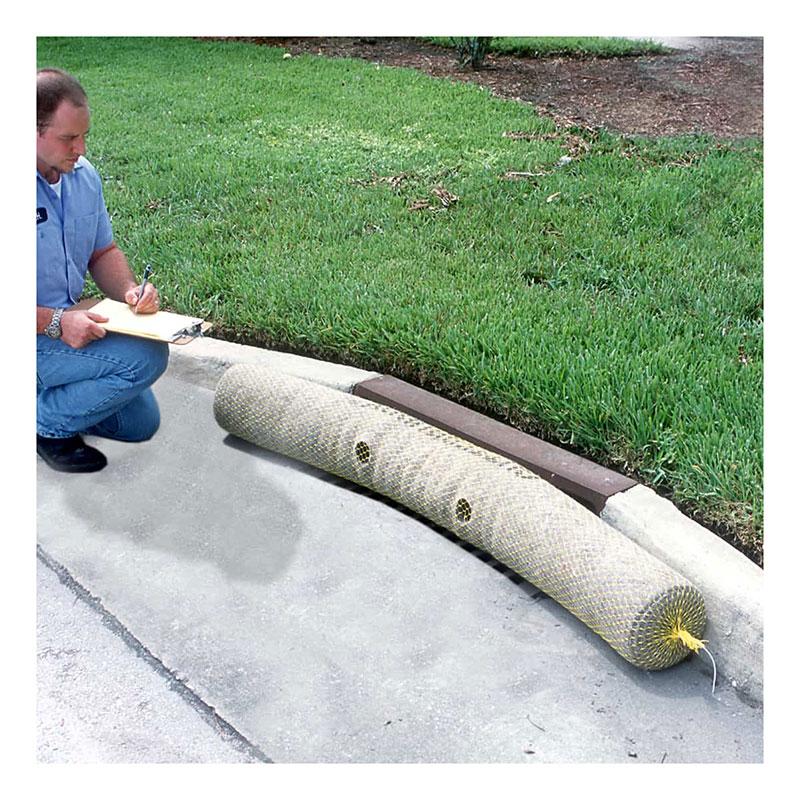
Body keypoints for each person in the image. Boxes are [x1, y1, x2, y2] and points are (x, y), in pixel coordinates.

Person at [36, 68, 169, 472]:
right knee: (146, 358)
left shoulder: (83, 176)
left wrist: (130, 290)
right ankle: (44, 425)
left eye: (84, 134)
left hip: (62, 324)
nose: (80, 147)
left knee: (139, 421)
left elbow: (102, 251)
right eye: (68, 138)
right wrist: (57, 323)